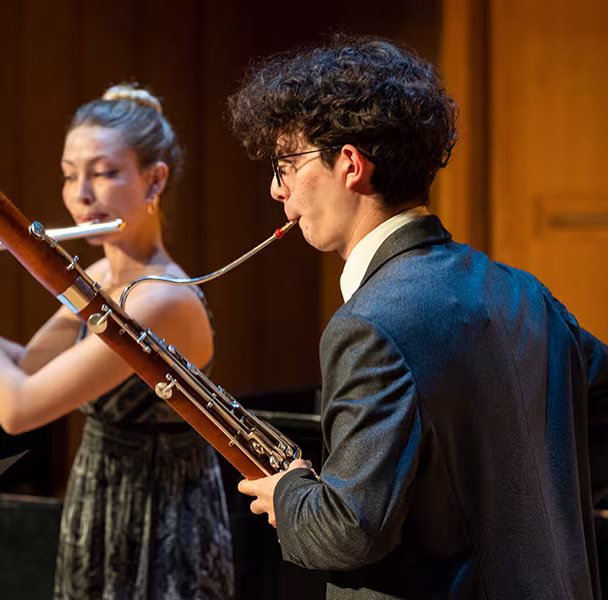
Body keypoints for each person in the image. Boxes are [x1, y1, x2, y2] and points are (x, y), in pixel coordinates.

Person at [229, 35, 608, 599]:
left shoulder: (369, 325)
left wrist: (289, 493)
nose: (276, 188)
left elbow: (348, 531)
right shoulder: (526, 293)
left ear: (350, 165)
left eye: (287, 163)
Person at [0, 85, 234, 599]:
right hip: (99, 503)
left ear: (154, 180)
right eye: (71, 175)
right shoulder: (98, 272)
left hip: (158, 525)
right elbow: (27, 370)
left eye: (104, 172)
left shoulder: (161, 299)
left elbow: (17, 409)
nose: (80, 196)